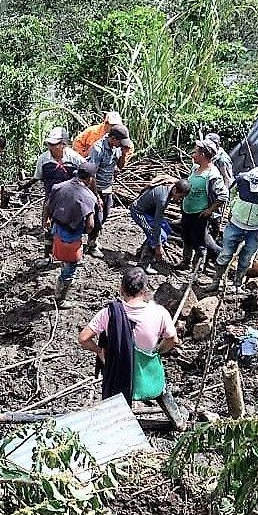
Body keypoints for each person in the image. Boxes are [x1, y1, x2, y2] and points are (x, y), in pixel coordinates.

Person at [78, 268, 185, 427]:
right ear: (146, 290)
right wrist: (157, 351)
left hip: (119, 376)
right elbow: (173, 340)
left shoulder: (109, 313)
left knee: (117, 404)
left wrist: (100, 351)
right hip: (148, 376)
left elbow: (83, 339)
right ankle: (178, 421)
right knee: (162, 389)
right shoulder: (159, 312)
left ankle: (118, 425)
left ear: (121, 290)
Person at [208, 166, 258, 292]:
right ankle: (216, 282)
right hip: (235, 224)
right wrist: (232, 208)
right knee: (225, 254)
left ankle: (238, 284)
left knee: (246, 259)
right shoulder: (242, 179)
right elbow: (231, 193)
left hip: (256, 229)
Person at [155, 140, 227, 272]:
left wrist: (209, 211)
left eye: (195, 152)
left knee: (199, 243)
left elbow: (223, 196)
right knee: (186, 238)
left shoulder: (212, 176)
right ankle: (185, 262)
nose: (192, 155)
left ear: (203, 155)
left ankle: (196, 269)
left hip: (199, 215)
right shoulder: (195, 168)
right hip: (187, 211)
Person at [43, 163, 99, 307]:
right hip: (72, 236)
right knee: (70, 268)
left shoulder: (59, 187)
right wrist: (85, 232)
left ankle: (55, 261)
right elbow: (91, 225)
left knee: (60, 254)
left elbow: (48, 206)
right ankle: (60, 299)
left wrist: (46, 219)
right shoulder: (88, 197)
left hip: (57, 228)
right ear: (90, 178)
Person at [33, 127, 85, 264]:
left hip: (70, 201)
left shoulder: (74, 158)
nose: (51, 147)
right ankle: (47, 256)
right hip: (52, 198)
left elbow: (86, 172)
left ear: (63, 144)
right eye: (49, 144)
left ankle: (72, 255)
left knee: (71, 227)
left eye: (54, 144)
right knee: (48, 228)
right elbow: (39, 177)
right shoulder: (43, 159)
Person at [86, 124, 133, 256]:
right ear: (112, 138)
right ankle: (92, 244)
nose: (120, 145)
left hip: (108, 187)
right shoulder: (98, 149)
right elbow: (92, 175)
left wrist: (124, 154)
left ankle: (93, 239)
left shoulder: (117, 148)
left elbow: (120, 166)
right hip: (95, 188)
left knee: (105, 215)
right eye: (119, 142)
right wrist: (97, 196)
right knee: (98, 218)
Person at [130, 179, 190, 275]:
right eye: (180, 196)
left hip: (149, 212)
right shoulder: (163, 199)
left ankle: (141, 251)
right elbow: (156, 225)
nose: (179, 199)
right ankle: (143, 265)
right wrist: (158, 246)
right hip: (139, 213)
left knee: (167, 228)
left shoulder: (170, 186)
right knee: (158, 236)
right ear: (175, 190)